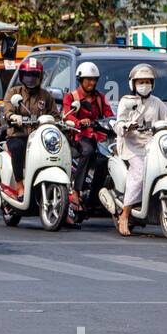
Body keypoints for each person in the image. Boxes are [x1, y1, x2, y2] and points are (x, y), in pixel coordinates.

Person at [113, 63, 167, 237]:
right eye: (141, 82)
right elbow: (118, 123)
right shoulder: (126, 101)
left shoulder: (157, 102)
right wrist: (127, 126)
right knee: (139, 172)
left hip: (153, 147)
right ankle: (125, 214)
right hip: (132, 147)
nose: (144, 85)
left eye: (148, 81)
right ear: (133, 84)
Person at [62, 61, 114, 218]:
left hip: (99, 137)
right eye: (88, 79)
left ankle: (94, 198)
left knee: (106, 160)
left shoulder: (100, 98)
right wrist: (79, 122)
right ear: (80, 80)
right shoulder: (71, 97)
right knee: (88, 151)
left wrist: (114, 123)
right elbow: (66, 115)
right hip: (79, 137)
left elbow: (109, 114)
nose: (92, 83)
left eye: (94, 79)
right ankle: (76, 192)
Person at [0, 57, 58, 186]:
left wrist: (59, 122)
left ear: (40, 77)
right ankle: (20, 184)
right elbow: (7, 111)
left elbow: (55, 115)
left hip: (39, 136)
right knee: (18, 147)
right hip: (18, 135)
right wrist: (13, 117)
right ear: (22, 76)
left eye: (34, 76)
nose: (31, 79)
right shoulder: (14, 92)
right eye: (28, 76)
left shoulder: (46, 96)